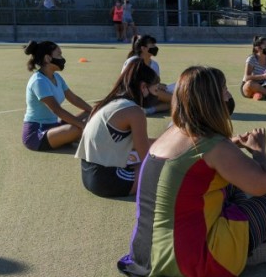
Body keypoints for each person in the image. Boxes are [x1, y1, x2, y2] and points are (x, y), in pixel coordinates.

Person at [117, 66, 266, 277]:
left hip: (144, 256)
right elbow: (263, 185)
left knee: (228, 185)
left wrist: (231, 146)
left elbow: (195, 162)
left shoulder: (171, 132)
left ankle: (240, 237)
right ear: (211, 99)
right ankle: (246, 253)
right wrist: (259, 151)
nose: (228, 95)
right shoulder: (213, 145)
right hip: (190, 261)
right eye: (224, 90)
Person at [75, 59, 159, 197]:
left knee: (142, 156)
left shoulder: (112, 103)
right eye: (155, 90)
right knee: (162, 165)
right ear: (143, 87)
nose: (157, 95)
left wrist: (160, 142)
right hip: (108, 181)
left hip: (89, 176)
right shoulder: (135, 112)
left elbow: (135, 144)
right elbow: (146, 156)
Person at [21, 40, 92, 151]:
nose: (62, 59)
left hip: (54, 126)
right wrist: (83, 126)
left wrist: (94, 111)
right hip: (36, 134)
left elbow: (74, 99)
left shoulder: (57, 77)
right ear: (47, 58)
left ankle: (69, 137)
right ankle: (72, 136)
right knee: (77, 129)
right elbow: (57, 110)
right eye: (59, 55)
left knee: (91, 114)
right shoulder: (38, 81)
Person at [123, 35, 171, 114]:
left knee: (172, 103)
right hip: (133, 94)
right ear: (143, 48)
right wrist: (153, 87)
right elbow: (127, 83)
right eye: (152, 45)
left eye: (155, 45)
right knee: (174, 100)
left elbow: (155, 83)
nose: (155, 48)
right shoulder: (132, 62)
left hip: (149, 94)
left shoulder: (154, 65)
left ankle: (148, 110)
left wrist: (160, 85)